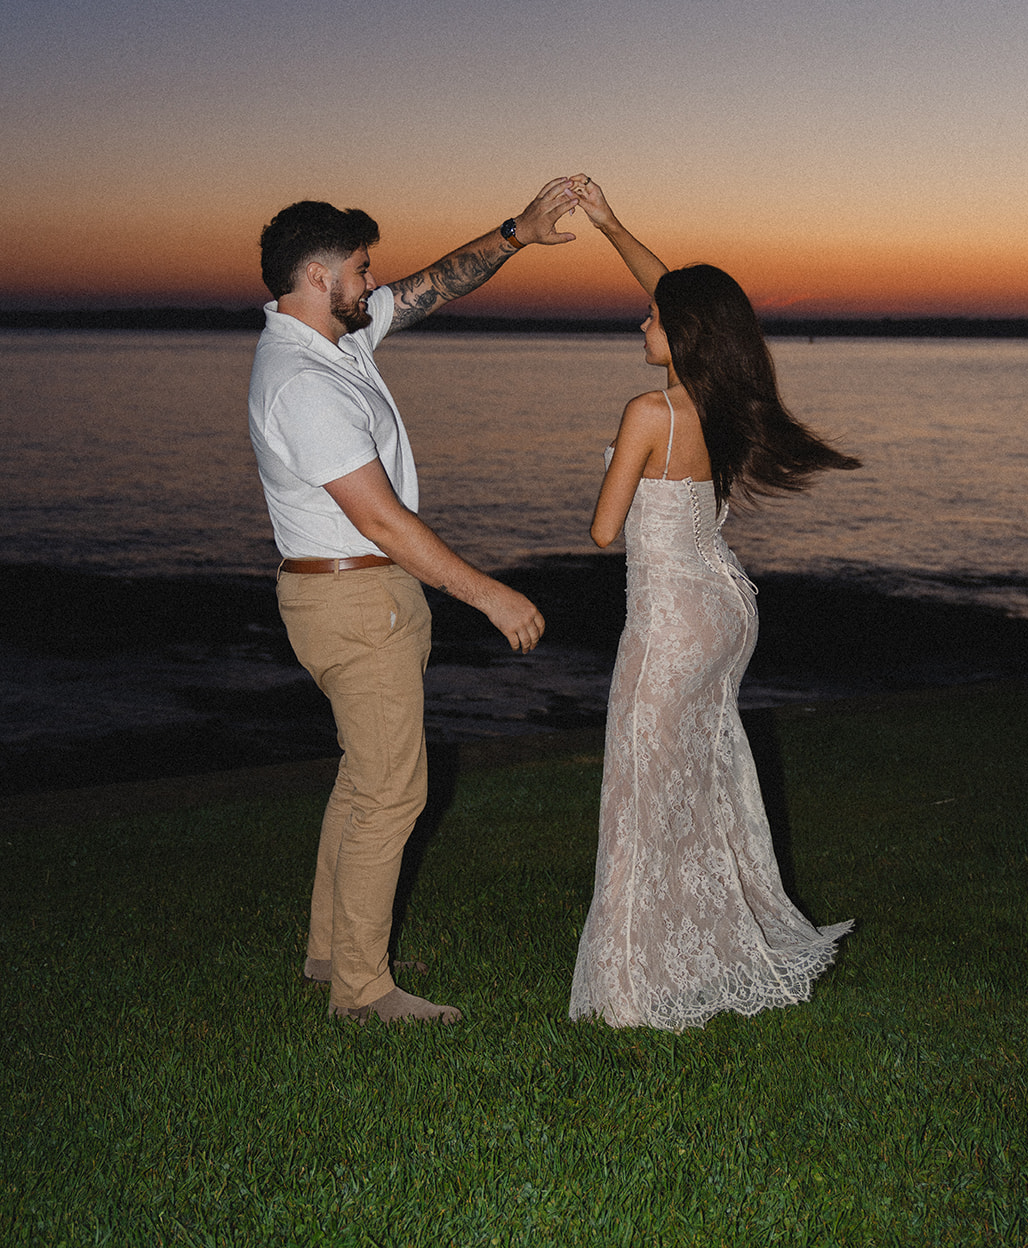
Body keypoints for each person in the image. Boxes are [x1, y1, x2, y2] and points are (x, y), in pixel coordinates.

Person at [248, 179, 579, 1025]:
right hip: (356, 601)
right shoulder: (303, 383)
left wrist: (517, 232)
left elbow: (436, 282)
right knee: (394, 791)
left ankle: (334, 956)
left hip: (352, 594)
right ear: (320, 277)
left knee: (365, 781)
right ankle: (363, 994)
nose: (373, 283)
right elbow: (383, 521)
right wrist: (489, 595)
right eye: (361, 270)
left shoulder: (334, 343)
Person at [566, 177, 859, 1031]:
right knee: (701, 778)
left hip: (668, 623)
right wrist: (613, 225)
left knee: (638, 790)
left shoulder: (647, 412)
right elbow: (682, 299)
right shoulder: (726, 403)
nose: (641, 322)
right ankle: (714, 940)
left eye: (654, 320)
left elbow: (600, 530)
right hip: (725, 611)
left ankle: (629, 988)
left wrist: (617, 454)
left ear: (682, 336)